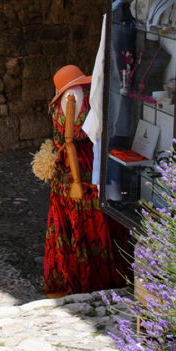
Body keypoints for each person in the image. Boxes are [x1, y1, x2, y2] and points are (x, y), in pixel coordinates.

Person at [43, 64, 128, 297]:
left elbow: (66, 140)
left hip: (68, 170)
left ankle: (69, 275)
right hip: (81, 168)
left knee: (68, 225)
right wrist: (78, 181)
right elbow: (71, 140)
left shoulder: (69, 98)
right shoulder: (76, 97)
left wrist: (75, 180)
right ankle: (94, 275)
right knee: (91, 221)